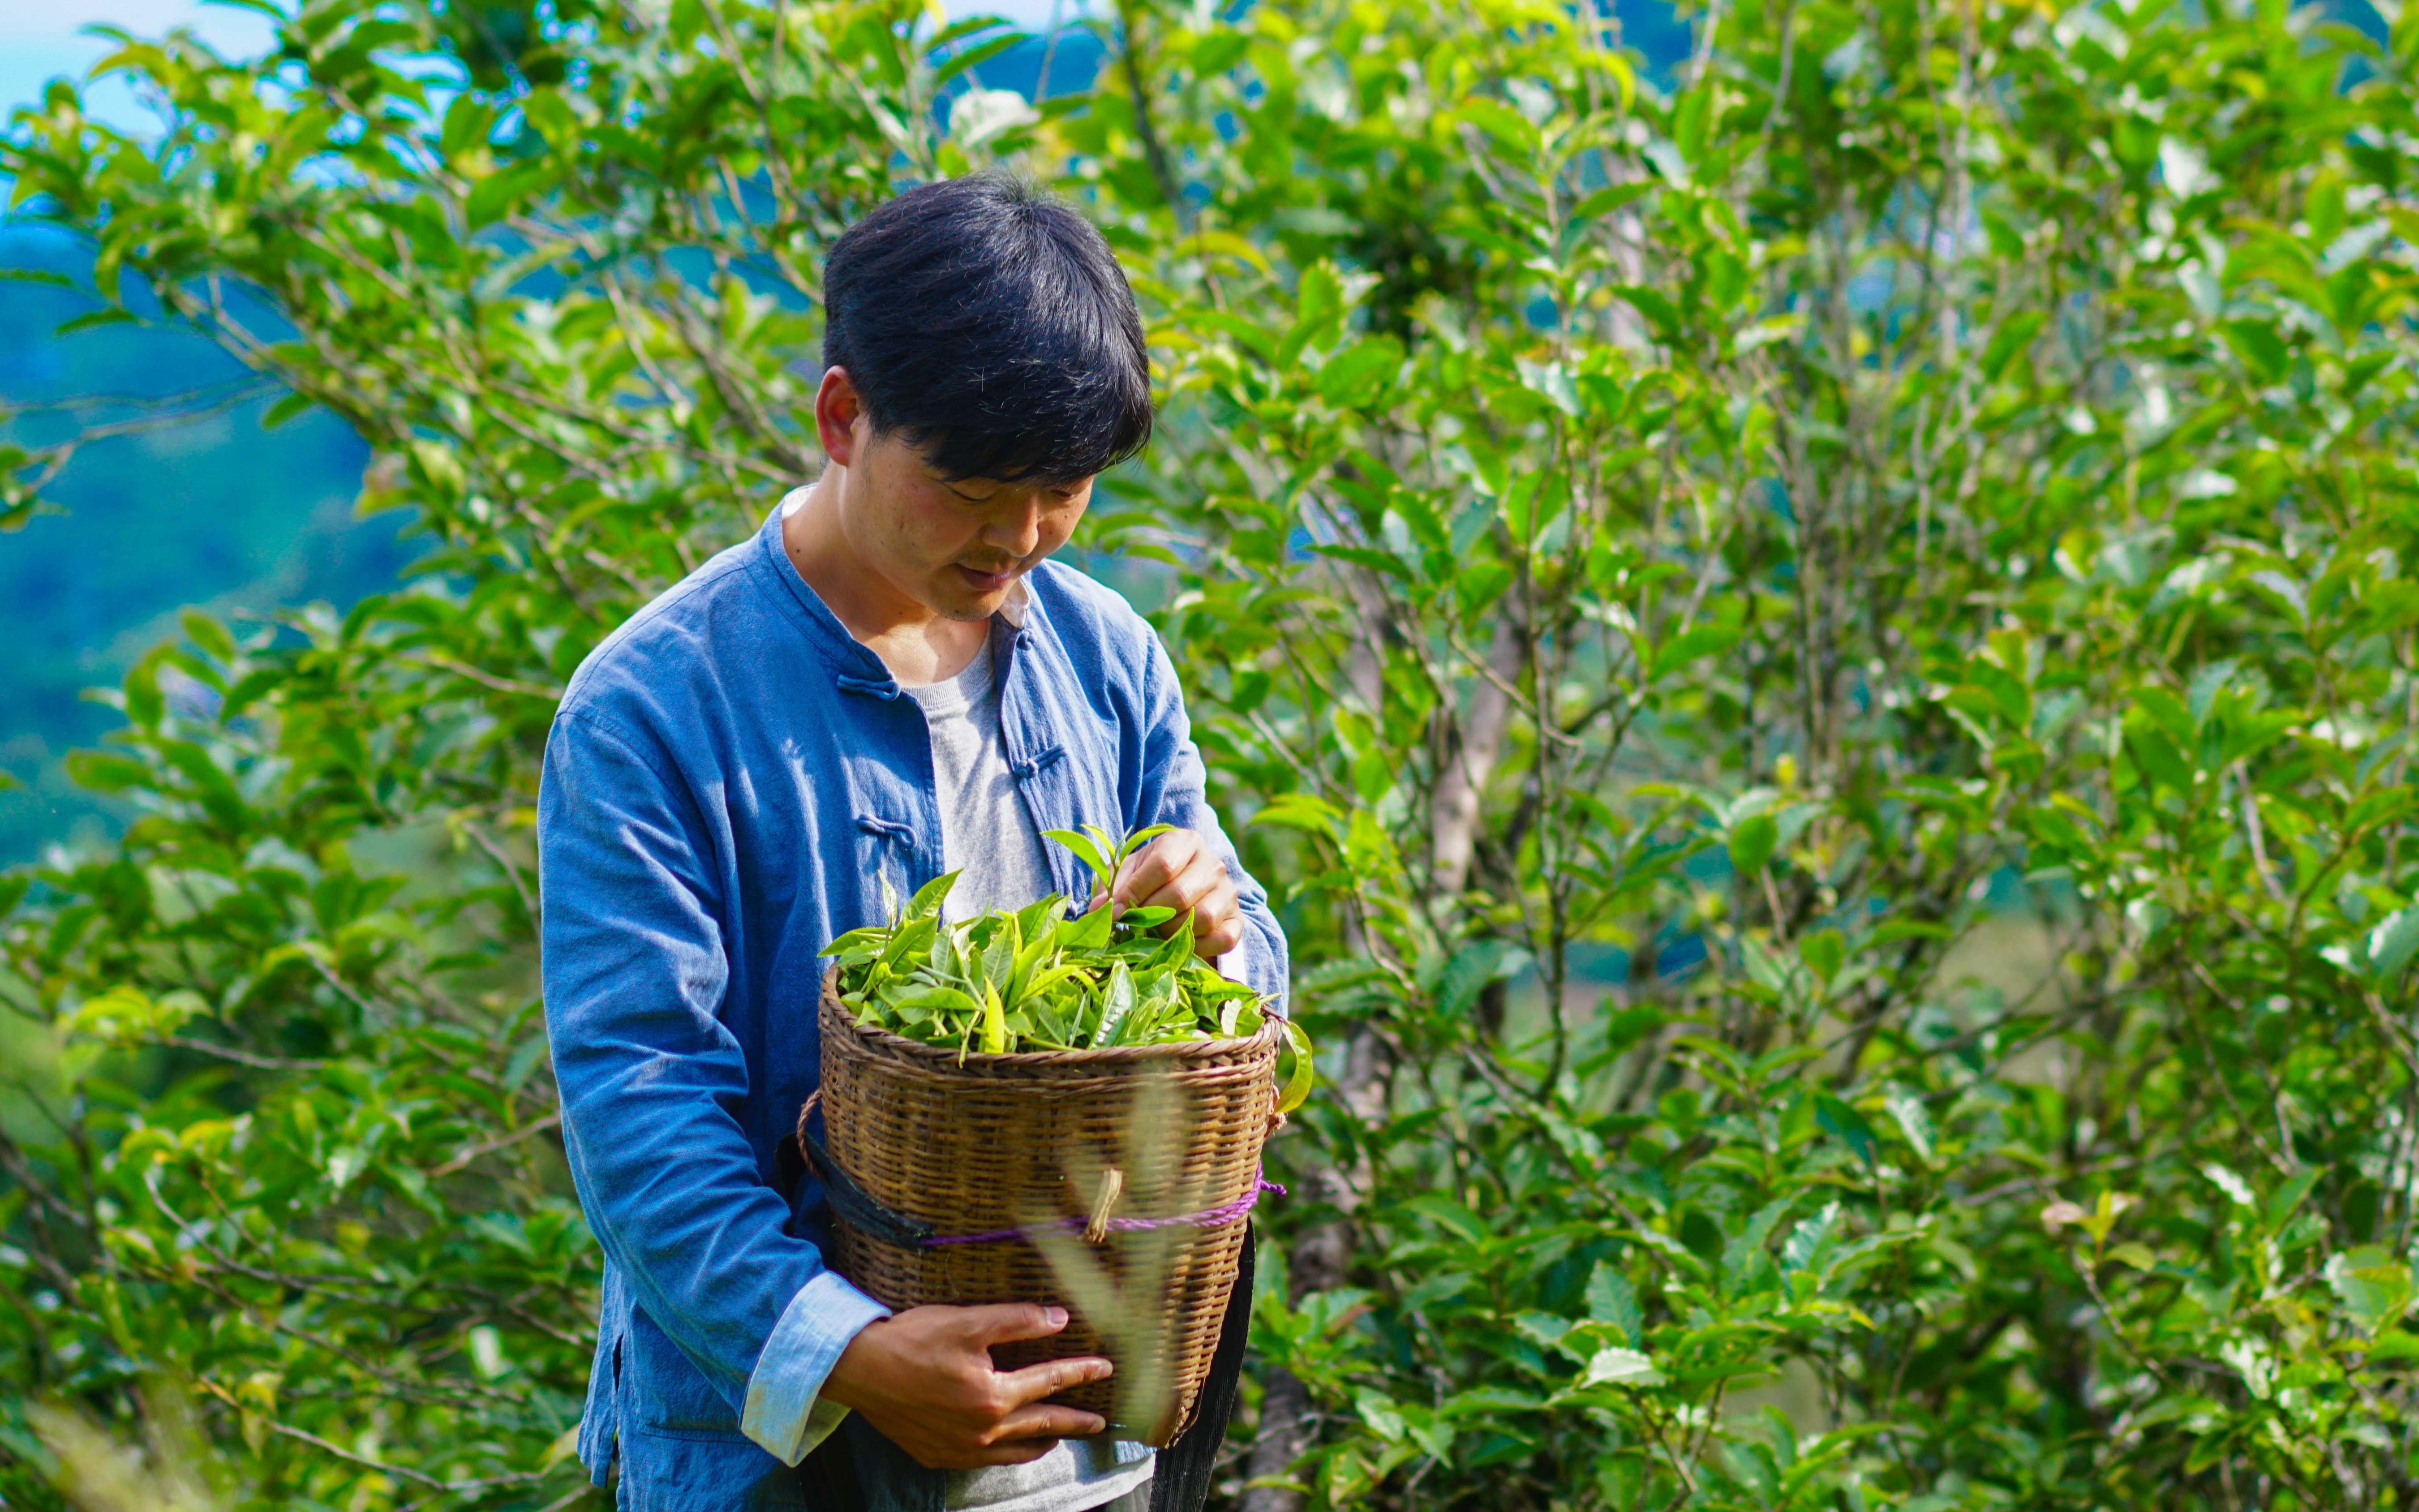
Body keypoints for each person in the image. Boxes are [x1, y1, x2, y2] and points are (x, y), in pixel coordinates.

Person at [537, 174, 1288, 1512]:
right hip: (789, 1466)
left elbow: (1245, 1002)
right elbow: (639, 1106)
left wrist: (1218, 924)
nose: (1018, 537)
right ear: (843, 416)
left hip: (1101, 1451)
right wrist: (858, 1355)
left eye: (1062, 491)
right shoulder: (656, 703)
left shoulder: (1105, 655)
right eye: (969, 489)